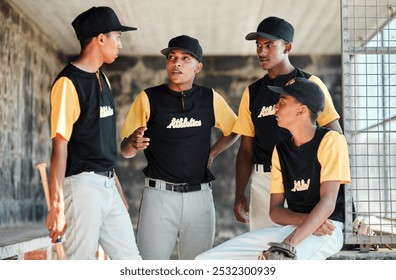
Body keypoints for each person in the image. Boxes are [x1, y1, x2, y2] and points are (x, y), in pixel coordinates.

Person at [196, 77, 351, 260]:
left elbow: (328, 202)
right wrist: (298, 228)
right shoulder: (281, 149)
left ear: (301, 110)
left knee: (277, 262)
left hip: (327, 229)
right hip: (293, 227)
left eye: (282, 102)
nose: (275, 107)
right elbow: (275, 212)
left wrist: (287, 245)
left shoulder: (331, 140)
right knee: (205, 261)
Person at [120, 35, 239, 260]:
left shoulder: (209, 98)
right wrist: (132, 143)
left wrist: (212, 152)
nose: (177, 63)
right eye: (172, 57)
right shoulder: (149, 97)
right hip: (159, 197)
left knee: (197, 267)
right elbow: (126, 151)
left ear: (198, 67)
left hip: (200, 198)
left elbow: (235, 129)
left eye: (186, 58)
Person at [46, 6, 141, 260]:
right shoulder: (68, 83)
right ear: (100, 38)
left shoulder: (103, 79)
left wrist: (116, 185)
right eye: (117, 36)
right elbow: (60, 146)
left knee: (132, 263)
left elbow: (102, 143)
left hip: (108, 185)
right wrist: (57, 206)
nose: (120, 44)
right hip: (82, 187)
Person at [233, 16, 344, 231]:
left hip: (303, 177)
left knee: (304, 243)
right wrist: (239, 193)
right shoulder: (252, 92)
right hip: (265, 180)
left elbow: (335, 134)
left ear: (287, 47)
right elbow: (246, 149)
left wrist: (326, 183)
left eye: (269, 45)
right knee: (264, 246)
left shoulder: (310, 84)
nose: (261, 52)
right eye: (258, 45)